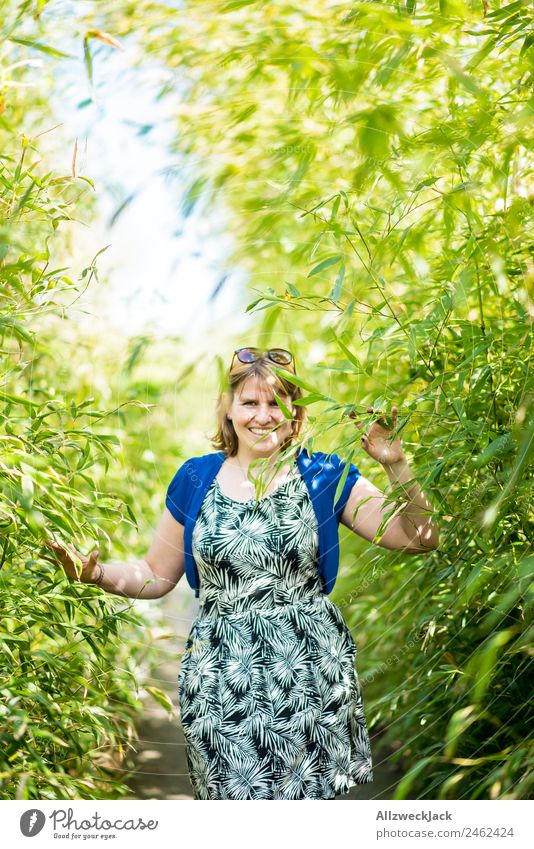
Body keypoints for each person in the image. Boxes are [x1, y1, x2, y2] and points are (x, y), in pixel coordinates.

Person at [44, 345, 440, 800]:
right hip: (219, 677)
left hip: (309, 676)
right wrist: (96, 574)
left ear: (295, 412)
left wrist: (395, 464)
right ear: (228, 411)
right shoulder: (195, 478)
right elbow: (155, 574)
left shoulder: (325, 474)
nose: (263, 415)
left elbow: (420, 538)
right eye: (250, 402)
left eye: (276, 402)